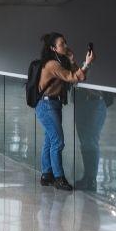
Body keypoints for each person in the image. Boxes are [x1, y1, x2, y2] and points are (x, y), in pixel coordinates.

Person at [34, 32, 91, 191]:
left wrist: (72, 60)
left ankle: (46, 175)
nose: (65, 46)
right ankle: (59, 178)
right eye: (61, 44)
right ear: (53, 48)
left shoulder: (60, 61)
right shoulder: (52, 64)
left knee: (50, 140)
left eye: (65, 42)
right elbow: (74, 77)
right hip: (46, 106)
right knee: (58, 142)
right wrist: (87, 63)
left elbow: (79, 76)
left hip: (53, 104)